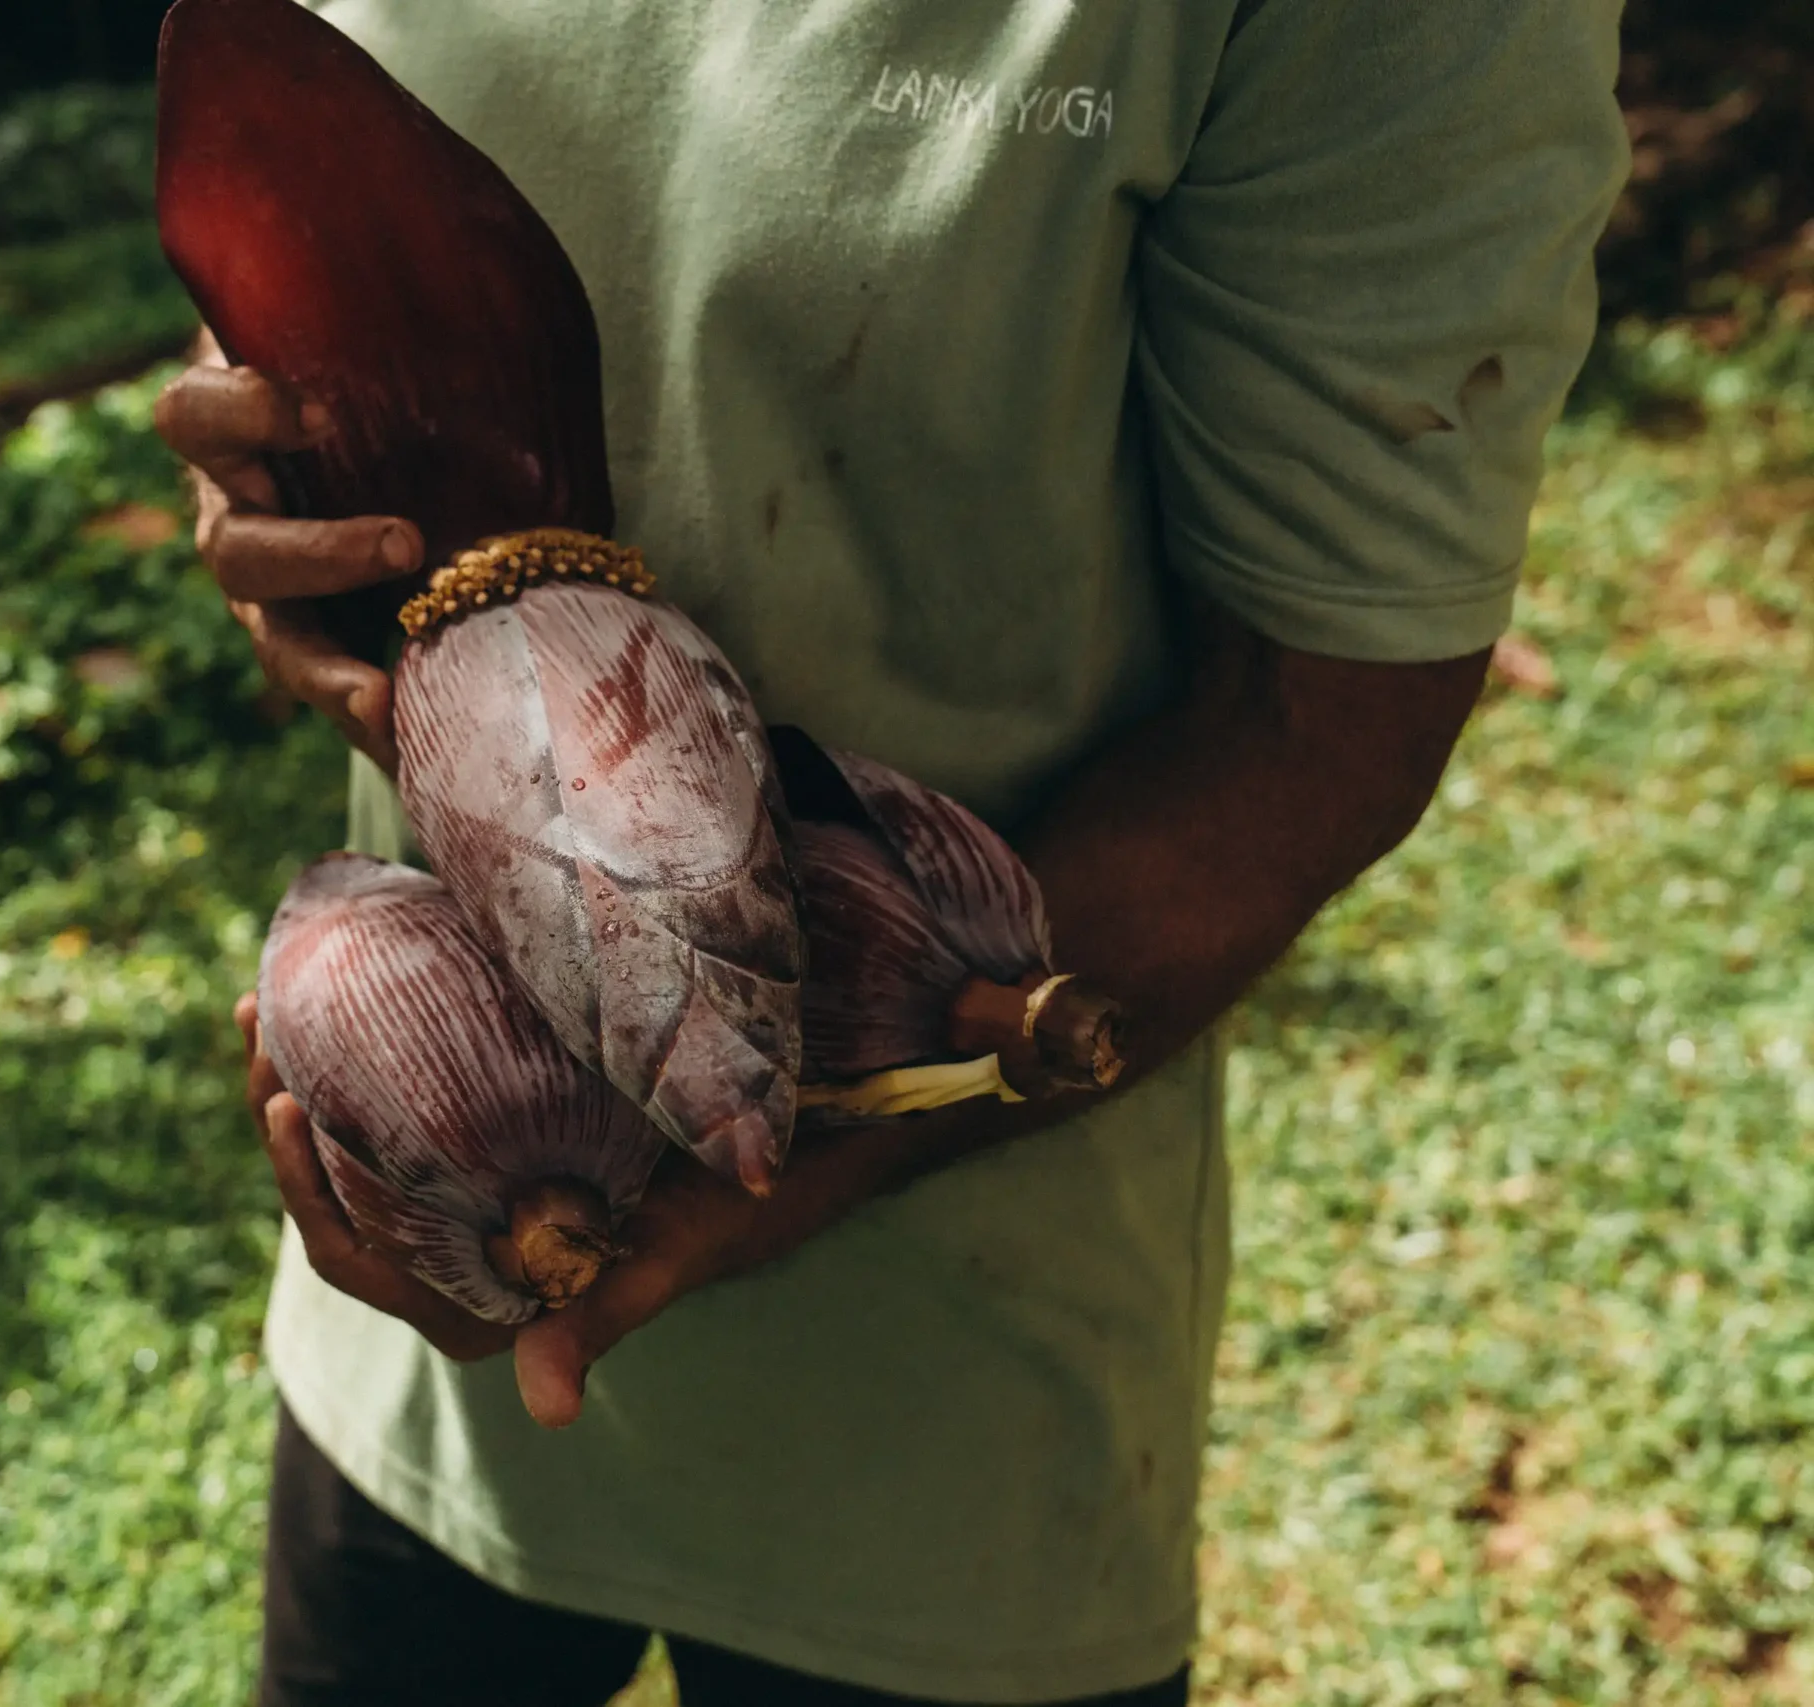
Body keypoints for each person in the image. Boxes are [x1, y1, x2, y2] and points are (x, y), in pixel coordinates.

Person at [153, 1, 1630, 1701]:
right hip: (420, 1245)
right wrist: (275, 467)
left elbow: (1317, 720)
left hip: (946, 1393)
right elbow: (316, 220)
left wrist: (758, 1162)